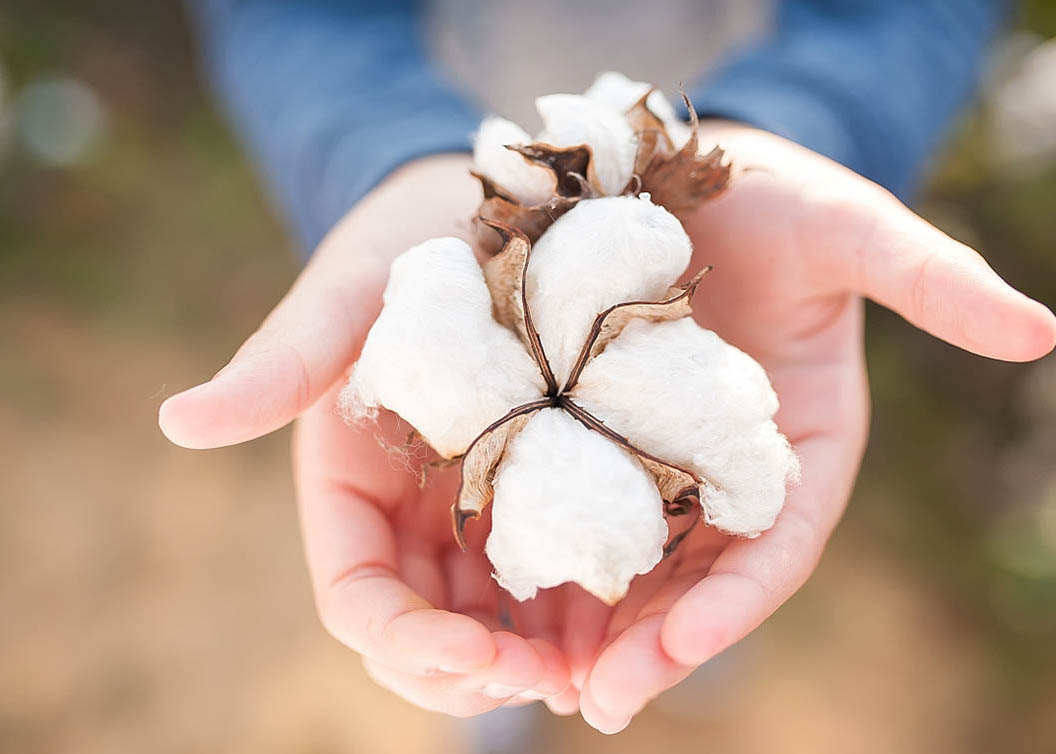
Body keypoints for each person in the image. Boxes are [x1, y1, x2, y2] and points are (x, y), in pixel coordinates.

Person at [159, 0, 1056, 735]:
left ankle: (678, 650)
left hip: (703, 145)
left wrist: (799, 130)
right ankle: (508, 705)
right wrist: (384, 159)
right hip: (459, 143)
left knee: (703, 570)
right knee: (481, 631)